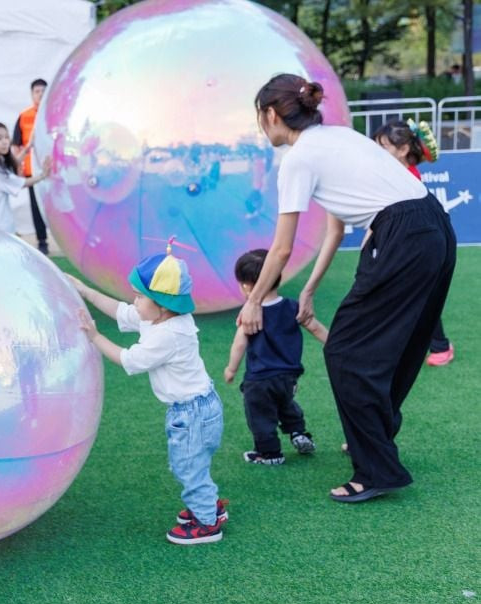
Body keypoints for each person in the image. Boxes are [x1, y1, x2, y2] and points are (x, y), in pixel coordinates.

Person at [242, 74, 456, 503]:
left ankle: (376, 468)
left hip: (402, 236)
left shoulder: (299, 159)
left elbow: (280, 250)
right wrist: (309, 290)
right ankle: (376, 436)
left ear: (271, 114)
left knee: (345, 351)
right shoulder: (339, 137)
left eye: (259, 117)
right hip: (434, 226)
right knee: (403, 343)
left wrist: (253, 302)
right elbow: (337, 230)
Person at [69, 246, 227, 544]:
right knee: (193, 464)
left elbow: (129, 360)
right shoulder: (161, 318)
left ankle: (208, 524)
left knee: (188, 467)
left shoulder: (168, 334)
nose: (135, 301)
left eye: (140, 297)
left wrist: (95, 337)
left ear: (162, 304)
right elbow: (119, 311)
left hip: (192, 413)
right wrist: (85, 291)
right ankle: (208, 506)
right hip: (198, 407)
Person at [224, 249, 328, 465]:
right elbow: (315, 327)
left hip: (259, 379)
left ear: (246, 286)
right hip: (288, 376)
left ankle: (270, 453)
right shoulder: (292, 307)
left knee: (259, 415)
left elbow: (239, 344)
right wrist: (335, 345)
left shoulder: (249, 314)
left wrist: (231, 369)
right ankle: (298, 432)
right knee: (285, 403)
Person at [372, 120, 454, 366]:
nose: (378, 152)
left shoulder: (408, 177)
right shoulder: (394, 174)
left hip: (417, 244)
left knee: (421, 297)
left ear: (403, 149)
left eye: (384, 146)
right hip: (404, 242)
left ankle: (440, 345)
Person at [0, 121, 50, 235]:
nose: (5, 142)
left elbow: (12, 165)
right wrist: (43, 175)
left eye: (6, 137)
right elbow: (21, 183)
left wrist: (28, 147)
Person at [12, 78, 50, 254]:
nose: (40, 94)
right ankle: (42, 240)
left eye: (44, 91)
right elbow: (16, 143)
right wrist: (18, 166)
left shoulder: (55, 114)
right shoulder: (24, 116)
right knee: (36, 206)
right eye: (37, 91)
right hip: (32, 170)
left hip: (55, 170)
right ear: (32, 94)